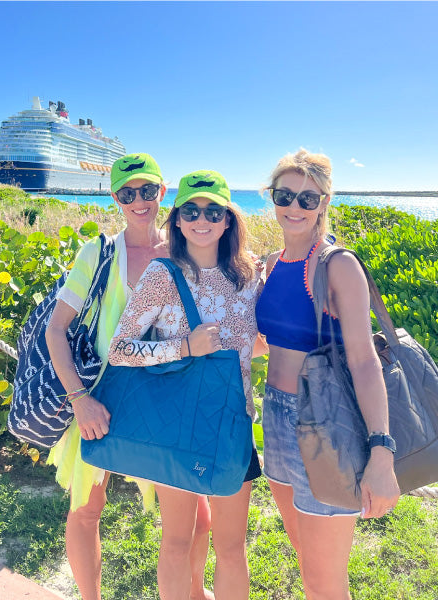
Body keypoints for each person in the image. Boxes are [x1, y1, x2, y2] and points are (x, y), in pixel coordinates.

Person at [45, 153, 213, 600]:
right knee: (87, 508)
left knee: (198, 515)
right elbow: (55, 329)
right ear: (115, 197)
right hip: (103, 396)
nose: (138, 201)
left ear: (162, 192)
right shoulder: (98, 253)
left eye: (147, 190)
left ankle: (194, 593)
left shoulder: (187, 250)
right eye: (126, 192)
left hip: (169, 400)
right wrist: (79, 399)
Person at [108, 170, 266, 600]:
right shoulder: (163, 273)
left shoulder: (250, 275)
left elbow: (250, 345)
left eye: (213, 210)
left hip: (233, 424)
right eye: (191, 210)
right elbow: (120, 350)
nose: (202, 219)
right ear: (176, 220)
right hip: (177, 426)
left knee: (232, 547)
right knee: (177, 541)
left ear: (229, 219)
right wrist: (184, 347)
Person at [255, 149, 400, 599]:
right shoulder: (271, 264)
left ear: (324, 202)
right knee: (305, 553)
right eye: (285, 195)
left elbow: (363, 359)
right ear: (272, 197)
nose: (294, 207)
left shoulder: (337, 265)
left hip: (326, 423)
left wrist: (381, 452)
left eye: (308, 198)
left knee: (324, 583)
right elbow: (273, 341)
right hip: (275, 419)